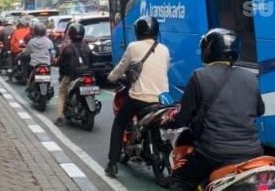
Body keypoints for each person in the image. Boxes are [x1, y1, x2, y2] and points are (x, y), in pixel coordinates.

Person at [167, 28, 264, 191]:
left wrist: (170, 121)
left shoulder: (199, 76)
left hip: (213, 152)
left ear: (209, 50)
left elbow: (182, 118)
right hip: (253, 152)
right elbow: (259, 111)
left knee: (180, 179)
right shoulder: (250, 77)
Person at [104, 15, 170, 176]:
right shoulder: (164, 49)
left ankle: (112, 163)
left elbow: (121, 67)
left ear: (138, 31)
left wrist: (111, 77)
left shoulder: (133, 47)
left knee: (119, 123)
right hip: (162, 100)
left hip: (139, 99)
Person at [55, 23, 93, 127]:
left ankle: (59, 118)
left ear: (70, 34)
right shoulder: (87, 47)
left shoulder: (67, 49)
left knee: (62, 93)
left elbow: (59, 63)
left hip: (71, 77)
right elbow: (91, 61)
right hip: (86, 75)